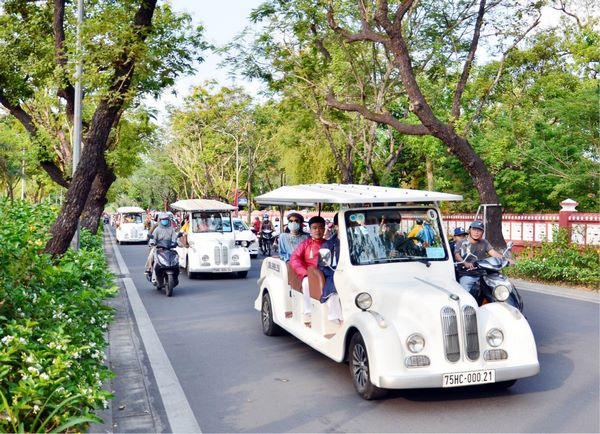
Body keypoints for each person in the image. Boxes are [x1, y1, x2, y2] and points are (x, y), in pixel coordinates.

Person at [454, 221, 513, 297]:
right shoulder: (462, 242)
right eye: (474, 229)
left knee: (499, 289)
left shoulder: (484, 242)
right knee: (464, 295)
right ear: (469, 230)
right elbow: (457, 255)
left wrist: (506, 259)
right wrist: (465, 263)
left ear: (482, 232)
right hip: (468, 274)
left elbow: (493, 253)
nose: (476, 232)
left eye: (479, 230)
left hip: (483, 273)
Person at [290, 216, 327, 327]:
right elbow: (295, 259)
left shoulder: (328, 244)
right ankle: (309, 313)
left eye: (320, 228)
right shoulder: (305, 244)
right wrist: (305, 273)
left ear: (324, 229)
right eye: (314, 228)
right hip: (309, 274)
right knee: (307, 282)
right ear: (310, 230)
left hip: (326, 273)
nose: (317, 230)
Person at [319, 213, 343, 323]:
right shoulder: (327, 245)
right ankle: (339, 320)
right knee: (335, 294)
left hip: (354, 275)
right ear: (336, 226)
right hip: (333, 276)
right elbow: (322, 267)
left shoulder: (358, 243)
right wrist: (338, 275)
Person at [145, 212, 180, 282]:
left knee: (176, 256)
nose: (165, 221)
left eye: (166, 219)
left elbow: (174, 237)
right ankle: (148, 269)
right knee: (151, 255)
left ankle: (176, 271)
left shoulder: (171, 229)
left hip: (169, 248)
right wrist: (152, 242)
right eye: (163, 219)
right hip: (158, 248)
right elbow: (153, 238)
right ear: (160, 220)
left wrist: (175, 242)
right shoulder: (157, 229)